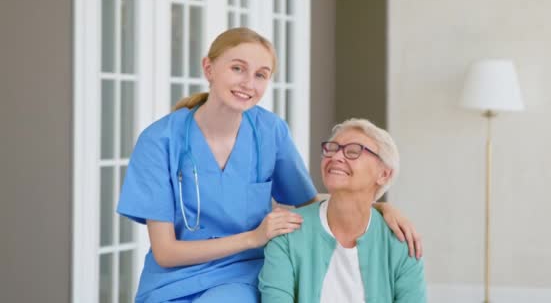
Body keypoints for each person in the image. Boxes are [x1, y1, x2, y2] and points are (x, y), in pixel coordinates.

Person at [117, 27, 422, 303]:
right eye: (237, 68)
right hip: (171, 282)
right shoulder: (159, 140)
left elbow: (309, 204)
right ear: (209, 68)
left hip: (241, 276)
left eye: (261, 75)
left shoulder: (269, 132)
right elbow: (166, 252)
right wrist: (253, 237)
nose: (248, 83)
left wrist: (377, 206)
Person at [258, 118, 427, 303]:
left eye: (353, 152)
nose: (336, 157)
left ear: (383, 174)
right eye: (332, 149)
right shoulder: (287, 234)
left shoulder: (401, 242)